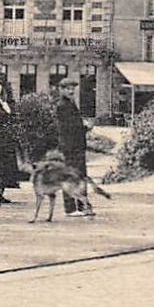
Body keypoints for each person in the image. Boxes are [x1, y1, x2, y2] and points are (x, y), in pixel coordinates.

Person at [53, 77, 89, 215]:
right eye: (68, 89)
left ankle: (81, 206)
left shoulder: (70, 104)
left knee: (79, 176)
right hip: (70, 147)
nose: (71, 91)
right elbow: (69, 128)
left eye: (72, 89)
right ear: (61, 90)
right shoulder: (63, 106)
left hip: (75, 146)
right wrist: (84, 127)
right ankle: (70, 208)